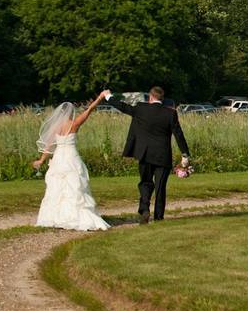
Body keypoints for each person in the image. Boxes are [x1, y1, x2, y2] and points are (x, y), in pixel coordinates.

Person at [105, 86, 190, 223]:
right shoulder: (170, 114)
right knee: (160, 187)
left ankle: (144, 210)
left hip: (144, 154)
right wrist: (185, 155)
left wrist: (108, 96)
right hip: (163, 156)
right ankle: (158, 217)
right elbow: (179, 135)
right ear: (162, 99)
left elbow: (124, 107)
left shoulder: (141, 108)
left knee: (145, 183)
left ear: (150, 97)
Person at [32, 92, 111, 231]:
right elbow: (89, 110)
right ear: (70, 113)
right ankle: (76, 216)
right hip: (71, 156)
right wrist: (100, 97)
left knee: (57, 187)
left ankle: (55, 217)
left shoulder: (56, 127)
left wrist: (41, 160)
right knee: (75, 186)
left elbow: (49, 145)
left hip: (59, 158)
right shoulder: (74, 123)